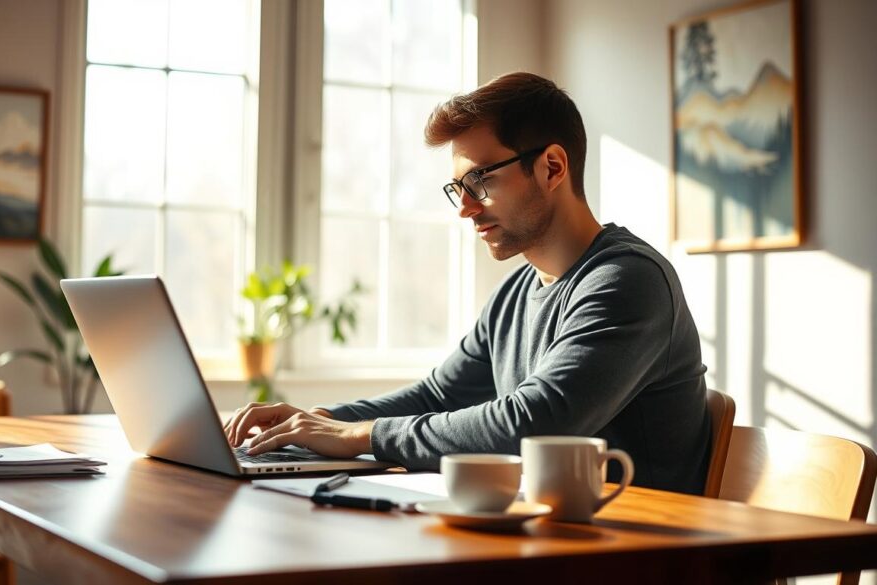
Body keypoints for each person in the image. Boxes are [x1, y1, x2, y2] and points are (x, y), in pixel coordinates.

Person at [224, 72, 711, 495]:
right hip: (547, 546)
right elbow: (438, 396)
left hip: (644, 556)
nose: (465, 207)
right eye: (458, 187)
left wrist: (360, 436)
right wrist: (314, 422)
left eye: (480, 180)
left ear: (552, 167)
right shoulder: (516, 292)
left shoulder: (628, 281)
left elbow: (534, 424)